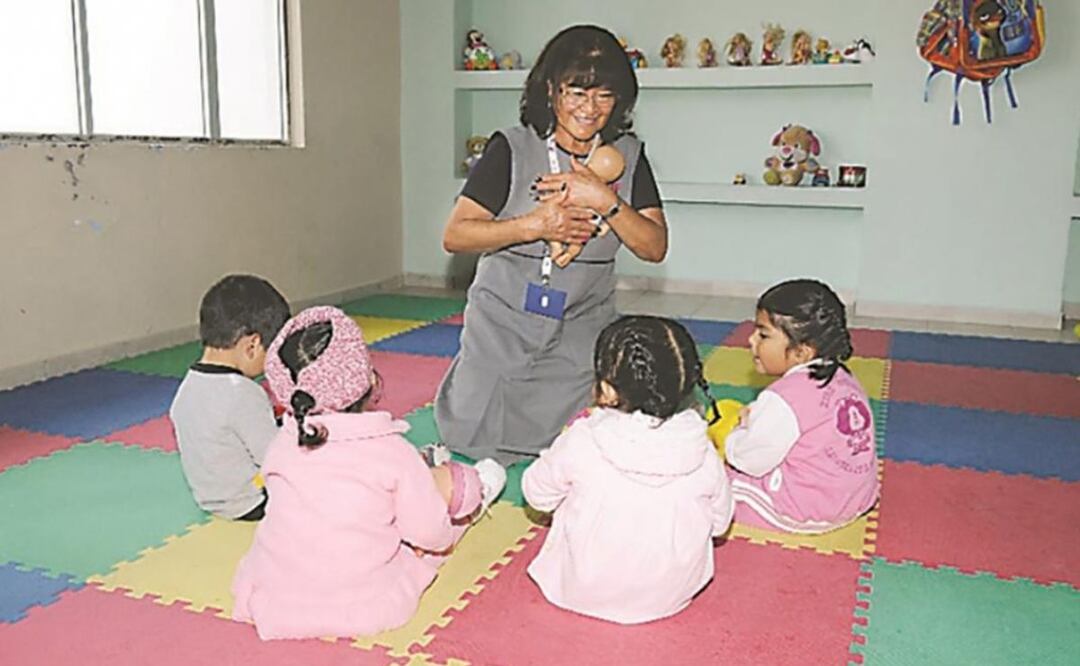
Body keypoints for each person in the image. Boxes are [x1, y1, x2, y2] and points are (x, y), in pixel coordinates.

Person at [436, 24, 668, 463]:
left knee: (577, 448)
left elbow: (654, 247)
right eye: (576, 93)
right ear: (550, 90)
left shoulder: (628, 156)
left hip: (581, 326)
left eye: (604, 95)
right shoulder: (511, 146)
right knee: (470, 439)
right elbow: (456, 234)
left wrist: (605, 200)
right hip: (503, 322)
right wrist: (534, 225)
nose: (590, 109)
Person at [231, 306, 506, 640]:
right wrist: (448, 530)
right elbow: (429, 532)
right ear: (366, 378)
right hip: (361, 598)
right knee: (451, 502)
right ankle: (480, 489)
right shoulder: (391, 451)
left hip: (279, 593)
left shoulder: (281, 444)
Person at [522, 316, 733, 624]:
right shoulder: (702, 449)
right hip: (669, 596)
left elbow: (537, 495)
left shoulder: (584, 437)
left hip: (579, 590)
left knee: (571, 485)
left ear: (608, 390)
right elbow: (719, 524)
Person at [724, 279, 879, 534]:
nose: (751, 340)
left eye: (763, 335)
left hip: (805, 508)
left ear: (802, 353)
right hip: (855, 498)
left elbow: (748, 460)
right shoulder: (844, 377)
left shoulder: (782, 399)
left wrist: (735, 433)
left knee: (714, 480)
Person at [170, 274, 290, 520]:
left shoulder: (188, 386)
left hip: (209, 498)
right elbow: (275, 457)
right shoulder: (242, 392)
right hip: (251, 502)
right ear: (252, 346)